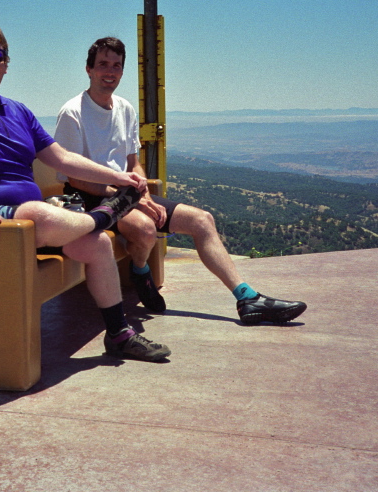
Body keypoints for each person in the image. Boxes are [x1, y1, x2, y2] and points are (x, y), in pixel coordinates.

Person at [0, 25, 171, 362]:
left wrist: (120, 178)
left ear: (6, 64)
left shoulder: (19, 112)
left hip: (31, 223)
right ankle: (104, 216)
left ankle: (118, 334)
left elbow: (62, 158)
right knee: (38, 213)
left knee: (98, 244)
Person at [54, 37, 307, 324]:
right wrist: (130, 199)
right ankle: (140, 273)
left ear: (123, 71)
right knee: (146, 229)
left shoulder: (125, 109)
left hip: (126, 193)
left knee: (203, 220)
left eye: (116, 65)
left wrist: (144, 195)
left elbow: (132, 162)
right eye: (102, 65)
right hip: (89, 198)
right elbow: (75, 177)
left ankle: (247, 298)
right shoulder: (72, 112)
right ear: (89, 69)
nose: (109, 72)